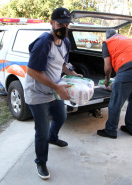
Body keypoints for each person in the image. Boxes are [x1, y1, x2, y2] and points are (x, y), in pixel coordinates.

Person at [24, 7, 82, 180]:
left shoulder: (65, 42)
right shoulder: (44, 42)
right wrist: (57, 88)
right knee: (41, 130)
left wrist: (72, 73)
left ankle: (53, 137)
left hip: (53, 89)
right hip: (37, 93)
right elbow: (32, 72)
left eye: (67, 24)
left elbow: (63, 63)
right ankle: (41, 161)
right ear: (51, 23)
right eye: (60, 24)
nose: (64, 28)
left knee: (61, 116)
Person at [97, 29, 132, 139]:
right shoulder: (127, 39)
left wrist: (107, 79)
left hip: (128, 73)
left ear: (107, 37)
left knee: (116, 102)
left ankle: (110, 130)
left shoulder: (107, 42)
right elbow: (129, 57)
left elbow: (107, 66)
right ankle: (131, 128)